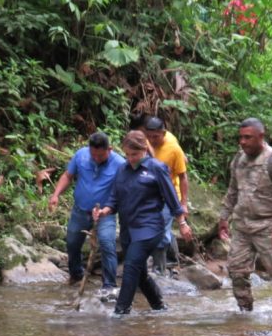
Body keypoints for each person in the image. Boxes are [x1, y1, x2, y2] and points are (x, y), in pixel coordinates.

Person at [93, 131, 193, 316]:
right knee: (139, 273)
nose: (131, 159)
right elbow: (114, 198)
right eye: (128, 155)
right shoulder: (122, 170)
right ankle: (159, 306)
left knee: (130, 266)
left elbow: (172, 198)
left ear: (144, 150)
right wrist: (104, 210)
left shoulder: (157, 168)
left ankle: (120, 311)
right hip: (128, 229)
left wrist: (182, 222)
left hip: (150, 228)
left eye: (135, 154)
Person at [218, 118, 272, 312]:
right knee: (237, 272)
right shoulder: (238, 160)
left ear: (261, 137)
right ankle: (245, 312)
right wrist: (223, 217)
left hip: (270, 226)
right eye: (241, 138)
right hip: (243, 226)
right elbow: (232, 191)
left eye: (248, 137)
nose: (243, 142)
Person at [49, 132, 125, 295]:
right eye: (93, 154)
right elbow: (68, 176)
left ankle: (109, 286)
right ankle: (76, 274)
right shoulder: (81, 156)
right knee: (72, 242)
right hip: (80, 210)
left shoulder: (120, 164)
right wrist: (56, 195)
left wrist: (109, 209)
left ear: (109, 149)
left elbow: (124, 191)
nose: (96, 158)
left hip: (106, 213)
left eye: (101, 155)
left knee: (106, 243)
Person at [142, 117, 189, 274]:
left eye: (156, 137)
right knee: (161, 230)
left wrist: (183, 203)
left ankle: (159, 269)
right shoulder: (144, 143)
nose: (152, 140)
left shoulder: (173, 148)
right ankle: (173, 259)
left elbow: (183, 176)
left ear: (163, 133)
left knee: (161, 232)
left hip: (168, 194)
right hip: (149, 194)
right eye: (149, 136)